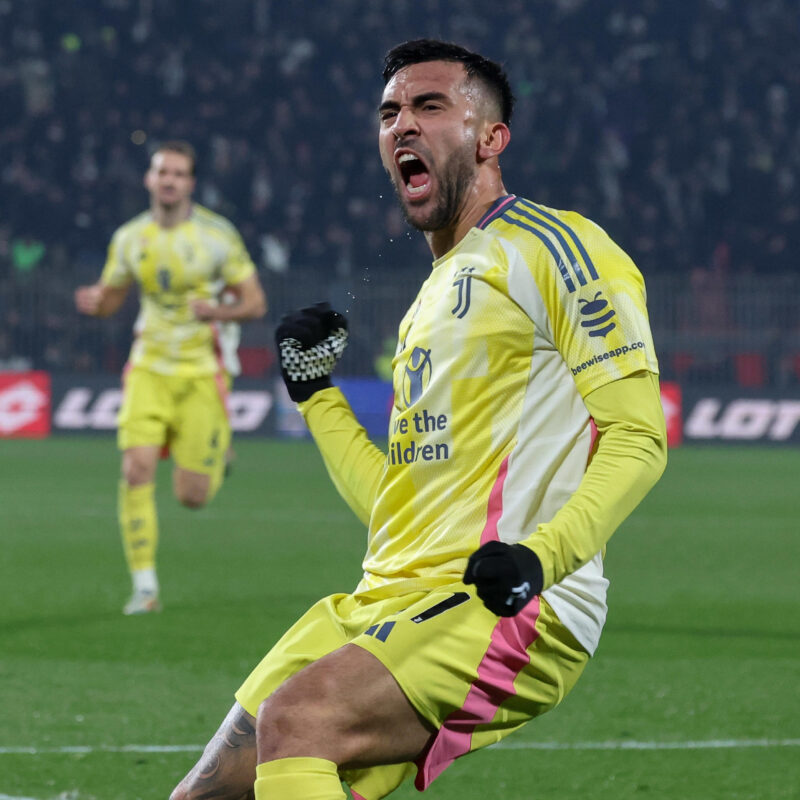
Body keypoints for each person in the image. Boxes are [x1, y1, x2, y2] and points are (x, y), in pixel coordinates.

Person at [171, 40, 667, 799]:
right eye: (390, 112)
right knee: (208, 794)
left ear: (489, 137)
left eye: (430, 106)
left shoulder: (556, 249)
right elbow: (395, 508)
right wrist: (318, 397)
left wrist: (540, 558)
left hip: (509, 603)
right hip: (385, 598)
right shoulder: (432, 299)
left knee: (298, 720)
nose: (403, 124)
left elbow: (638, 436)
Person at [75, 140, 266, 615]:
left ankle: (217, 454)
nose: (169, 181)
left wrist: (217, 310)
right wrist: (99, 303)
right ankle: (145, 588)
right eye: (162, 172)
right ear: (149, 179)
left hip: (202, 371)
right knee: (135, 468)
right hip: (148, 367)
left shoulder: (217, 236)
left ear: (190, 184)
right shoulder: (129, 238)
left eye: (179, 174)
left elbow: (255, 303)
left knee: (192, 496)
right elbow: (114, 297)